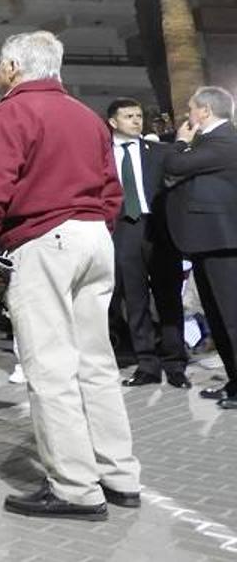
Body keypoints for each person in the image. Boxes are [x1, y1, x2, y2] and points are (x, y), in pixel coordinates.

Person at [0, 31, 135, 521]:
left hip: (46, 239)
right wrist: (97, 227)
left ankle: (76, 487)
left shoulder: (11, 112)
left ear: (14, 66)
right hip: (94, 238)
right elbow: (111, 189)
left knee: (50, 367)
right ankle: (119, 473)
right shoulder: (86, 115)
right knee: (96, 362)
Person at [105, 97, 189, 388]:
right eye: (129, 116)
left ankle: (176, 364)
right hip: (123, 230)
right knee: (135, 300)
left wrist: (182, 142)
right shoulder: (99, 155)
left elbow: (181, 165)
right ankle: (147, 365)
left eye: (139, 115)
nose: (136, 121)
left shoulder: (158, 151)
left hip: (158, 229)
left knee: (168, 297)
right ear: (113, 122)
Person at [163, 86, 237, 409]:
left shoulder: (225, 141)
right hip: (209, 241)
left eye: (192, 108)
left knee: (232, 318)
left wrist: (180, 141)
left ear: (205, 111)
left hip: (225, 242)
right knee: (219, 318)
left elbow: (175, 165)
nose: (188, 115)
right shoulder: (212, 141)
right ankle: (234, 383)